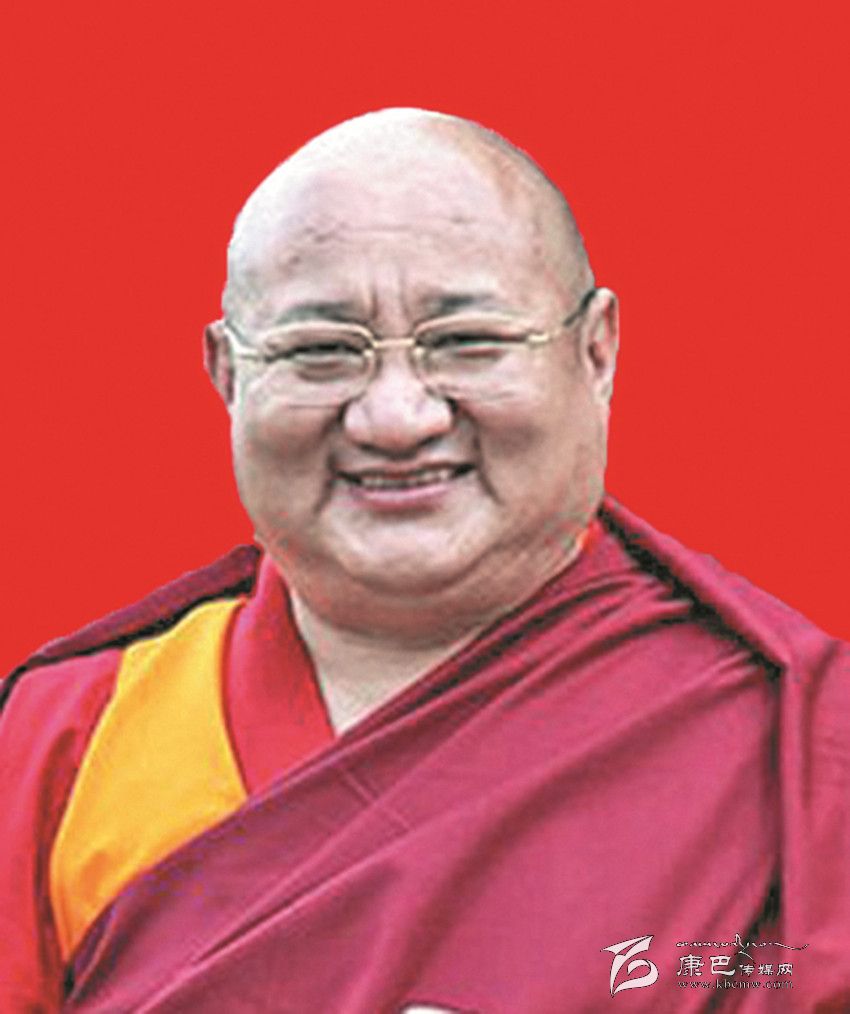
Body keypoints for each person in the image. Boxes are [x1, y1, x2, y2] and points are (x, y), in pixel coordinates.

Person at [1, 108, 847, 1012]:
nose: (396, 418)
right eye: (320, 352)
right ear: (229, 374)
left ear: (596, 352)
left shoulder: (791, 746)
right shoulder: (66, 736)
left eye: (468, 342)